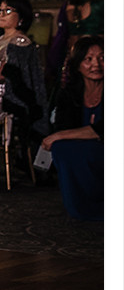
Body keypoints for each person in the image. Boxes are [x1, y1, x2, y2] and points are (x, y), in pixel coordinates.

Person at [40, 36, 102, 220]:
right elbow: (62, 125)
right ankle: (78, 205)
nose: (96, 64)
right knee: (61, 148)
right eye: (88, 59)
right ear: (78, 65)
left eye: (102, 58)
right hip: (83, 149)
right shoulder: (69, 93)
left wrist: (59, 135)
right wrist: (60, 136)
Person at [0, 0, 47, 136]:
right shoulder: (0, 38)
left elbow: (3, 74)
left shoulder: (19, 42)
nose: (1, 14)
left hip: (4, 97)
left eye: (8, 11)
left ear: (21, 18)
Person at [49, 0, 101, 92]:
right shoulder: (100, 5)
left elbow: (62, 36)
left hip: (73, 57)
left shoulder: (67, 6)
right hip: (97, 59)